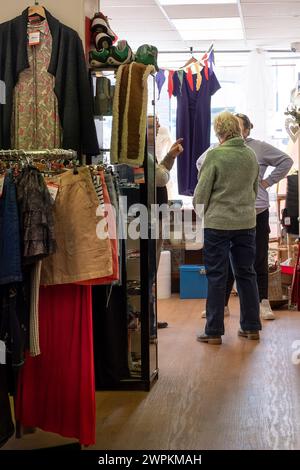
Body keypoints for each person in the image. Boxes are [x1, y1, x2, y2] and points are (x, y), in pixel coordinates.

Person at [197, 114, 293, 320]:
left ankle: (262, 303)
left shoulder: (256, 149)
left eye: (239, 127)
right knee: (232, 265)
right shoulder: (216, 150)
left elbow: (286, 161)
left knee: (256, 261)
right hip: (230, 214)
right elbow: (200, 164)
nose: (235, 132)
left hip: (253, 211)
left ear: (247, 130)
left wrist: (266, 182)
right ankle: (225, 308)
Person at [193, 111, 261, 345]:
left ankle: (213, 331)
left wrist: (203, 212)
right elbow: (254, 190)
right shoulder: (250, 155)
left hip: (218, 223)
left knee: (216, 275)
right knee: (246, 273)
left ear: (219, 131)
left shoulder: (215, 155)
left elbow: (201, 193)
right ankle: (252, 327)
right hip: (246, 222)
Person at [148, 115, 183, 330]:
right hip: (147, 219)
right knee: (150, 269)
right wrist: (164, 169)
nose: (159, 128)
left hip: (154, 217)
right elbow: (160, 177)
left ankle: (150, 319)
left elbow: (160, 171)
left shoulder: (149, 154)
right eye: (154, 125)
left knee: (153, 269)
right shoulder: (141, 154)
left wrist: (170, 157)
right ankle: (149, 322)